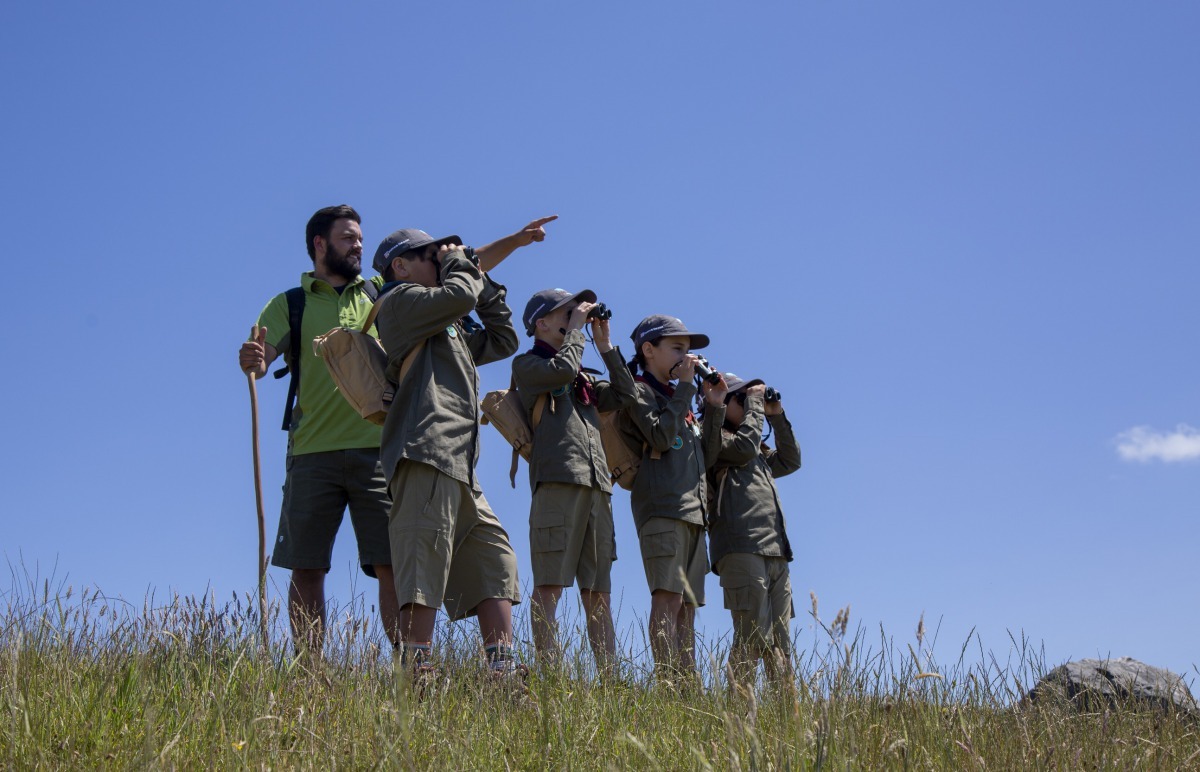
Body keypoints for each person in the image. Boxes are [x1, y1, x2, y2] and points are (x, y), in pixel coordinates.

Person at [239, 206, 554, 656]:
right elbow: (263, 351)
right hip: (317, 448)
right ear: (319, 244)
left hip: (380, 446)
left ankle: (410, 659)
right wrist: (257, 359)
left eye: (361, 238)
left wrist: (513, 242)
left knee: (395, 561)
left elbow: (468, 272)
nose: (358, 245)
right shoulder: (295, 302)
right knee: (309, 566)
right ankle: (314, 672)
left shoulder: (378, 292)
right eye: (348, 238)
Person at [373, 228, 524, 678]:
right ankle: (417, 671)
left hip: (460, 461)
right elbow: (458, 297)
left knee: (496, 560)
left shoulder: (445, 319)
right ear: (400, 266)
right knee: (424, 560)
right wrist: (461, 267)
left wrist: (480, 275)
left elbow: (502, 339)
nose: (440, 261)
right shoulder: (400, 305)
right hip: (424, 449)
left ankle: (501, 670)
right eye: (430, 255)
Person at [511, 288, 637, 674]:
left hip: (598, 485)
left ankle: (610, 678)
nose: (574, 316)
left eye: (575, 312)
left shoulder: (582, 374)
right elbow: (560, 372)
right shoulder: (528, 364)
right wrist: (579, 332)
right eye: (565, 312)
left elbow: (625, 393)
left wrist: (606, 346)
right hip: (558, 480)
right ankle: (549, 673)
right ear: (541, 323)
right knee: (550, 584)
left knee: (598, 591)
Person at [616, 315, 724, 681]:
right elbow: (660, 438)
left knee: (688, 608)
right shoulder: (640, 390)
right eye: (677, 348)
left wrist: (716, 407)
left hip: (694, 512)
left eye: (688, 350)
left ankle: (687, 687)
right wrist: (686, 388)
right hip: (663, 508)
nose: (687, 356)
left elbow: (706, 459)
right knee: (668, 599)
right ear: (649, 350)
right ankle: (667, 684)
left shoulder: (685, 400)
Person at [702, 374, 801, 688]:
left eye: (751, 398)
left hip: (776, 550)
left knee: (781, 643)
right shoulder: (715, 438)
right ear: (723, 401)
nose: (749, 405)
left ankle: (787, 721)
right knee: (752, 635)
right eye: (741, 399)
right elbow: (743, 447)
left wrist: (777, 415)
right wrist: (756, 405)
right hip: (741, 546)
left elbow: (791, 460)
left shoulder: (755, 446)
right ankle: (738, 718)